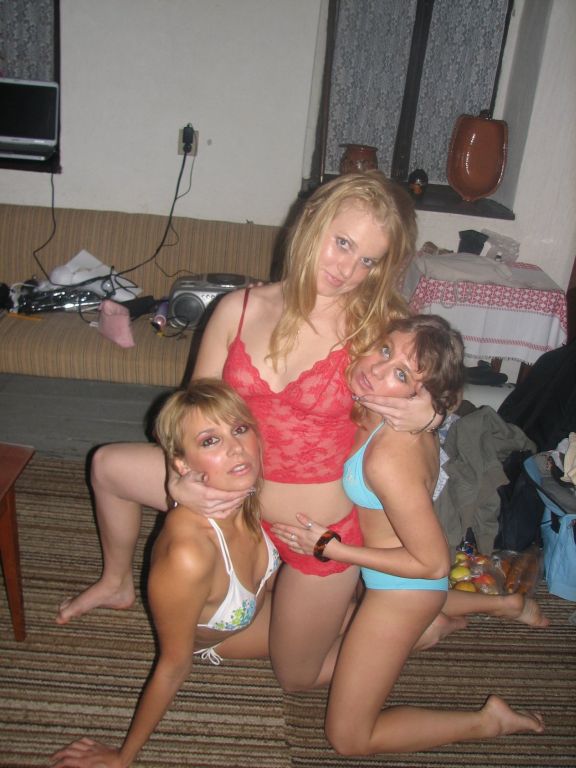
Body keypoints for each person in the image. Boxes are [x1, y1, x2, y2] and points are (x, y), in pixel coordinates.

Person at [56, 171, 438, 691]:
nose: (348, 270)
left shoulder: (378, 330)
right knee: (107, 467)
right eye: (343, 243)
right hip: (234, 496)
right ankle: (116, 582)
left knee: (295, 677)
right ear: (312, 222)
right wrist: (179, 480)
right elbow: (192, 414)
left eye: (369, 260)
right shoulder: (237, 308)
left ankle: (404, 630)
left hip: (312, 533)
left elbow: (419, 417)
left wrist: (430, 417)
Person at [272, 315, 546, 756]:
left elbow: (432, 565)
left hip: (402, 592)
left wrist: (333, 548)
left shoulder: (390, 457)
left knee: (349, 738)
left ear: (419, 394)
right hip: (401, 580)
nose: (379, 369)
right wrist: (436, 412)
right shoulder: (381, 403)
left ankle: (487, 721)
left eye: (401, 375)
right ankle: (502, 605)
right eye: (385, 349)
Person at [50, 379, 281, 768]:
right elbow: (173, 666)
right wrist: (123, 757)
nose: (235, 448)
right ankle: (113, 584)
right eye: (210, 441)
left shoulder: (244, 485)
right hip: (235, 633)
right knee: (347, 652)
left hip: (268, 595)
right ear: (182, 466)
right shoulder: (188, 555)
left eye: (240, 429)